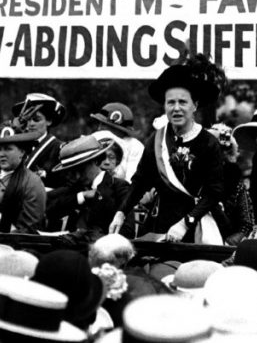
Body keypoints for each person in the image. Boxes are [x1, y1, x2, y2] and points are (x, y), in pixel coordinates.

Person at [110, 61, 225, 243]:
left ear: (194, 105)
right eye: (171, 102)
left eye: (183, 102)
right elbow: (140, 182)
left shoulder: (209, 143)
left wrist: (186, 223)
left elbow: (214, 192)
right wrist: (121, 212)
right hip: (160, 221)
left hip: (197, 223)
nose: (176, 108)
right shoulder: (156, 140)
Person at [45, 135, 133, 237]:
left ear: (96, 161)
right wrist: (81, 196)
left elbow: (128, 231)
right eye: (72, 172)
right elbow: (49, 210)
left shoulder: (119, 187)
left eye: (81, 169)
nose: (77, 176)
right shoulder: (73, 189)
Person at [0, 121, 45, 233]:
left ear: (22, 152)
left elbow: (30, 227)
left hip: (11, 242)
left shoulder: (32, 181)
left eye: (8, 149)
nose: (1, 154)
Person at [11, 92, 66, 185]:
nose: (31, 124)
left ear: (49, 121)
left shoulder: (59, 149)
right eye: (27, 119)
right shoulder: (17, 146)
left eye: (36, 119)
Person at [90, 102, 145, 182]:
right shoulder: (97, 140)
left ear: (117, 128)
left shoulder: (135, 147)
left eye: (103, 125)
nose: (99, 128)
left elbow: (132, 181)